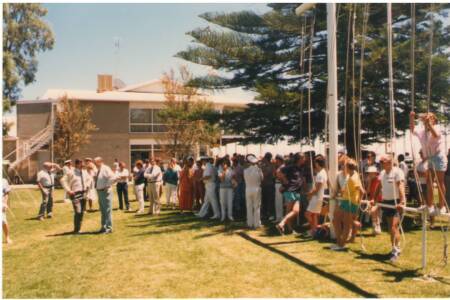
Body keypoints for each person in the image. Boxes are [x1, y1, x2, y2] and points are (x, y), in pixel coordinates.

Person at [410, 111, 448, 215]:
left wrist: (429, 124)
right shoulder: (422, 131)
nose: (427, 119)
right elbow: (412, 130)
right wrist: (412, 118)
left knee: (440, 181)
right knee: (429, 181)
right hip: (430, 157)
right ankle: (430, 205)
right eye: (426, 118)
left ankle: (442, 206)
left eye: (430, 117)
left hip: (439, 156)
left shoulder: (437, 127)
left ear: (434, 120)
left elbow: (435, 135)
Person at [371, 154, 406, 262]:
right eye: (380, 162)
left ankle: (395, 251)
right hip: (386, 202)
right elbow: (379, 187)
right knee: (391, 227)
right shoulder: (382, 173)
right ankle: (396, 247)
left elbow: (400, 186)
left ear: (390, 162)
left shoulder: (397, 172)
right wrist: (374, 199)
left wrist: (402, 201)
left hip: (395, 202)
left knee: (393, 227)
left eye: (382, 161)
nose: (380, 164)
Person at [331, 159, 363, 250]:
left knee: (346, 225)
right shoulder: (353, 174)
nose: (342, 167)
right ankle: (339, 242)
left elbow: (362, 191)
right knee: (335, 220)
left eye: (344, 166)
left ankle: (341, 245)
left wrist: (358, 203)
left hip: (350, 203)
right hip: (345, 201)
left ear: (348, 167)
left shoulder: (354, 178)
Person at [276, 153, 306, 235]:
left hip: (296, 191)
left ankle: (288, 229)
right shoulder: (291, 167)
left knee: (292, 211)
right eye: (303, 158)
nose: (305, 159)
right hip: (291, 191)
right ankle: (282, 224)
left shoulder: (300, 168)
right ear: (299, 159)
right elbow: (279, 172)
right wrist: (285, 182)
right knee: (295, 211)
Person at [60, 159, 92, 234]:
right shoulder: (71, 172)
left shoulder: (84, 172)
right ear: (77, 164)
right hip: (75, 194)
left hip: (83, 193)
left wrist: (87, 186)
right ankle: (76, 229)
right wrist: (68, 190)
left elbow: (89, 178)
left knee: (81, 212)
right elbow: (62, 180)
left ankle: (78, 229)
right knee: (78, 211)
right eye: (81, 163)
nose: (83, 165)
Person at [305, 155, 328, 237]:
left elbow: (317, 188)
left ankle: (314, 229)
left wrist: (309, 194)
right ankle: (315, 230)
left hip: (317, 197)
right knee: (314, 215)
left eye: (315, 163)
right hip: (319, 197)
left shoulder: (321, 174)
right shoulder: (323, 172)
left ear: (317, 163)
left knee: (307, 214)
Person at [94, 157, 117, 233]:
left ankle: (109, 228)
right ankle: (103, 227)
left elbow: (113, 177)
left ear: (100, 161)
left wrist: (107, 186)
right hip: (100, 192)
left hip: (105, 192)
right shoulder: (99, 169)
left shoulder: (106, 168)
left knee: (107, 210)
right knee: (103, 210)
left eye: (96, 162)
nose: (95, 163)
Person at [244, 154, 264, 229]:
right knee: (257, 207)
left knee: (249, 206)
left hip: (248, 189)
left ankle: (249, 223)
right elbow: (262, 179)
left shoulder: (245, 170)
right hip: (256, 188)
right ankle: (257, 223)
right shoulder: (258, 170)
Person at [260, 152, 275, 222]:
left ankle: (270, 215)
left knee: (269, 201)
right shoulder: (264, 165)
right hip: (264, 185)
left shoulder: (270, 166)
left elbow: (264, 175)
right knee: (264, 201)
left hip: (269, 185)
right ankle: (265, 214)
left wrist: (261, 170)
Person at [366, 166, 382, 235]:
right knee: (375, 213)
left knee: (373, 211)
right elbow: (368, 191)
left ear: (375, 173)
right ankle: (376, 227)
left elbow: (380, 191)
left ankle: (376, 226)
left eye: (371, 173)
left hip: (379, 199)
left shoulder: (379, 179)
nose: (370, 175)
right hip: (372, 199)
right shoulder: (370, 180)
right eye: (369, 173)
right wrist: (369, 182)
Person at [274, 155, 285, 223]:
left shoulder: (282, 167)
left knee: (279, 202)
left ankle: (280, 217)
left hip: (280, 184)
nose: (275, 161)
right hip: (277, 184)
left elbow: (282, 177)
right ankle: (278, 217)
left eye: (276, 159)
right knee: (278, 202)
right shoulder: (279, 167)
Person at [3, 178, 12, 244]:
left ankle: (7, 237)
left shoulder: (4, 181)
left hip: (1, 203)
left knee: (3, 221)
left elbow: (7, 193)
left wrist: (5, 203)